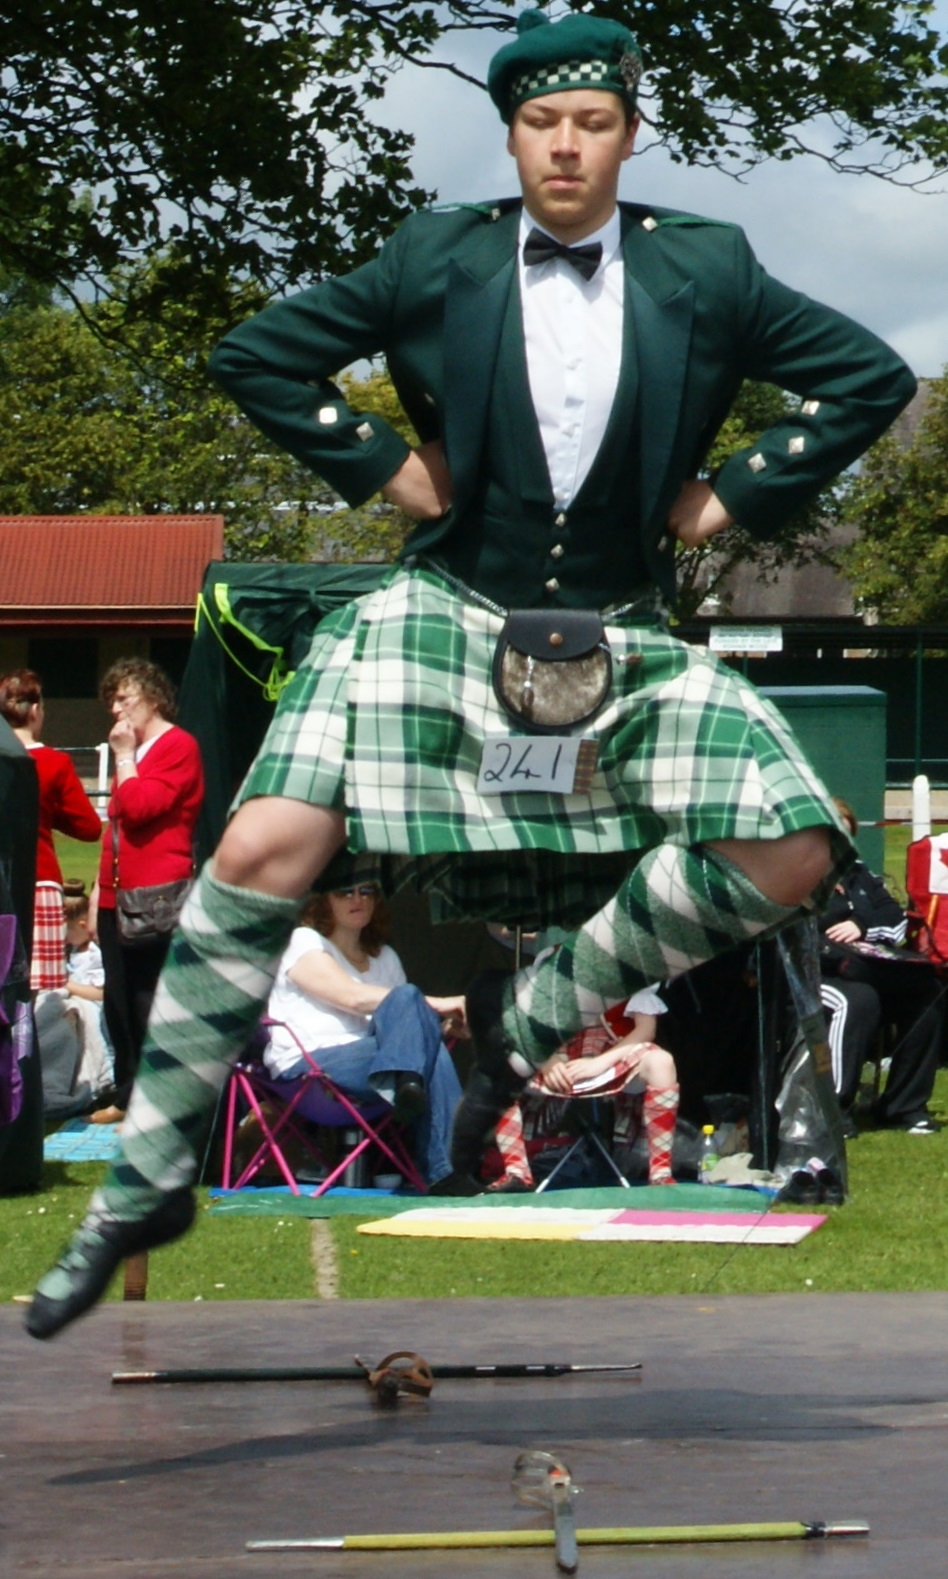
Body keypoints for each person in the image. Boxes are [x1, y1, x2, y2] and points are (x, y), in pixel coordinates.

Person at [27, 10, 916, 1338]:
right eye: (541, 124)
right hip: (446, 606)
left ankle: (535, 1012)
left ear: (627, 135)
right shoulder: (437, 254)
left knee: (794, 843)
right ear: (511, 136)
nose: (566, 146)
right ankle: (146, 1178)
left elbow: (864, 374)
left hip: (618, 619)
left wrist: (730, 493)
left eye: (593, 124)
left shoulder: (707, 266)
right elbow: (259, 354)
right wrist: (386, 466)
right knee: (264, 843)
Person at [264, 883, 469, 1190]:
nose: (357, 899)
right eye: (344, 892)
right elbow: (352, 997)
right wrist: (437, 1005)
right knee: (407, 999)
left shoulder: (385, 958)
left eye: (367, 891)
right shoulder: (304, 941)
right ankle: (442, 1164)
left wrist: (441, 1028)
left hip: (376, 1062)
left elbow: (405, 1025)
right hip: (310, 1066)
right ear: (322, 901)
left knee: (431, 1043)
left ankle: (445, 1167)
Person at [86, 659, 204, 1124]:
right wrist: (97, 892)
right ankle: (128, 1092)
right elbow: (115, 827)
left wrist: (124, 757)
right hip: (116, 895)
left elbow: (140, 807)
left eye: (124, 698)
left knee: (149, 999)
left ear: (153, 697)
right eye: (111, 702)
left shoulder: (177, 746)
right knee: (118, 1000)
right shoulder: (132, 752)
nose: (116, 710)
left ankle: (161, 1100)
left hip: (156, 895)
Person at [819, 799, 945, 1136]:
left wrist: (861, 925)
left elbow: (895, 919)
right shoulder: (797, 875)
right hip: (813, 972)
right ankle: (833, 1109)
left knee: (927, 993)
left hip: (864, 965)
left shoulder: (859, 874)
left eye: (847, 837)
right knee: (857, 1000)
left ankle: (904, 1106)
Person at [489, 986, 678, 1190]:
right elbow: (523, 1026)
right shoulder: (548, 976)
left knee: (661, 1061)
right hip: (560, 1063)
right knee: (499, 1067)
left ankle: (660, 1173)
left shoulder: (627, 975)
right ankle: (516, 1172)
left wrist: (598, 1063)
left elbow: (646, 1030)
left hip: (614, 1058)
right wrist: (547, 1061)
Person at [0, 669, 102, 993]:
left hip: (3, 878)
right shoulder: (54, 763)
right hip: (40, 880)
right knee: (36, 989)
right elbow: (89, 827)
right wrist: (45, 813)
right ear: (35, 710)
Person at [62, 880, 114, 1103]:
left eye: (67, 932)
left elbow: (101, 993)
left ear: (83, 925)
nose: (63, 938)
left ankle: (105, 1079)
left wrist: (68, 986)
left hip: (97, 1014)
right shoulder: (72, 950)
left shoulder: (94, 954)